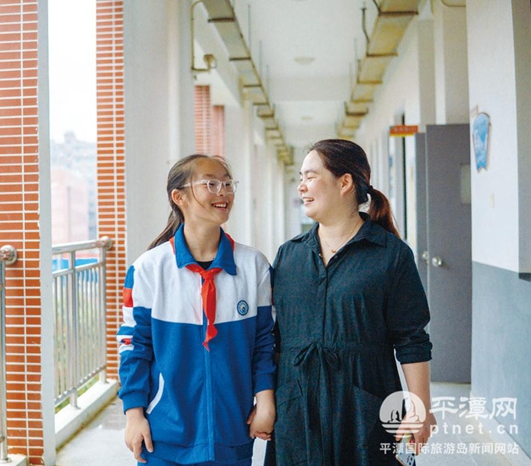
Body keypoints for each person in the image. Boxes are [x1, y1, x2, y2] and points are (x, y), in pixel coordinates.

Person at [268, 139, 436, 465]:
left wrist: (420, 407)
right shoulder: (289, 255)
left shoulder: (390, 255)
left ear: (344, 182)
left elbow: (412, 338)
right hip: (297, 407)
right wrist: (268, 401)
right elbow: (278, 339)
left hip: (365, 405)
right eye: (300, 178)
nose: (301, 186)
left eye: (311, 176)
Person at [117, 154, 276, 466]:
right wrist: (134, 414)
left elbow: (264, 341)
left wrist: (266, 400)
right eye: (211, 184)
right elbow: (134, 346)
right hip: (163, 436)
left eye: (228, 184)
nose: (223, 192)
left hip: (233, 432)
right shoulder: (148, 269)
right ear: (179, 197)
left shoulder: (254, 265)